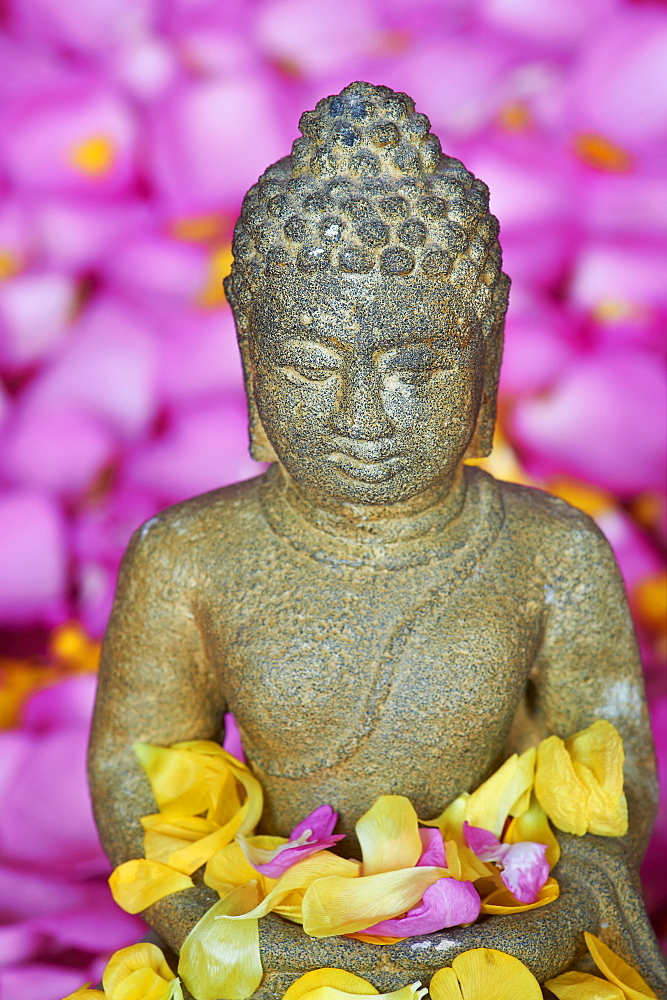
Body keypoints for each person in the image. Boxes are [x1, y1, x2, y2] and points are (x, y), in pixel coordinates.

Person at [89, 82, 666, 992]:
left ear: (487, 352)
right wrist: (200, 920)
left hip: (497, 936)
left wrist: (566, 897)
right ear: (249, 352)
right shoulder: (186, 554)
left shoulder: (551, 550)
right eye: (310, 366)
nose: (363, 417)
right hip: (267, 932)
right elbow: (133, 758)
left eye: (417, 367)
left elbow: (611, 753)